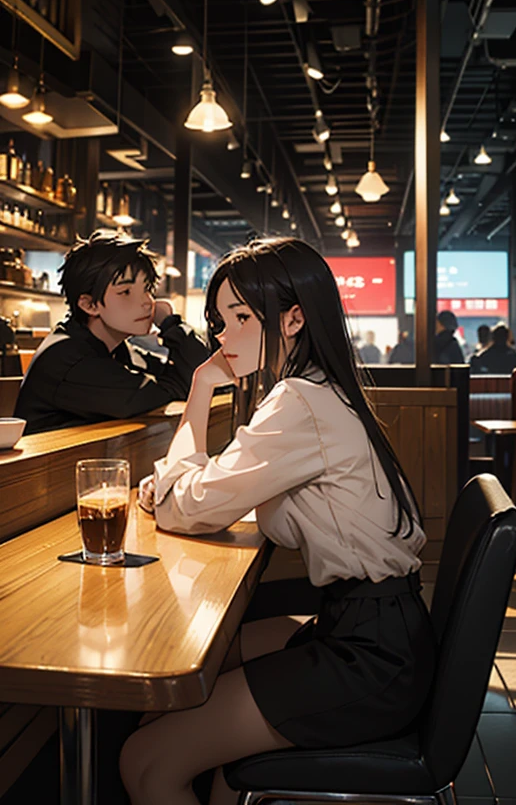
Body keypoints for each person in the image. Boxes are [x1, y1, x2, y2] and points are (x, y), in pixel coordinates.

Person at [121, 237, 436, 805]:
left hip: (370, 659)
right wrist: (187, 481)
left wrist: (195, 399)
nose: (223, 334)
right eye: (219, 319)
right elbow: (207, 495)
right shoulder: (320, 389)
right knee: (180, 698)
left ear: (292, 319)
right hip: (370, 627)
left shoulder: (300, 400)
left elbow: (189, 507)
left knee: (144, 761)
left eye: (240, 316)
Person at [15, 230, 209, 434]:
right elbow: (167, 391)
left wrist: (170, 323)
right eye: (126, 292)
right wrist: (170, 325)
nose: (146, 302)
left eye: (148, 289)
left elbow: (199, 371)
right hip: (41, 465)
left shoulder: (117, 348)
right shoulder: (70, 358)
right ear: (89, 305)